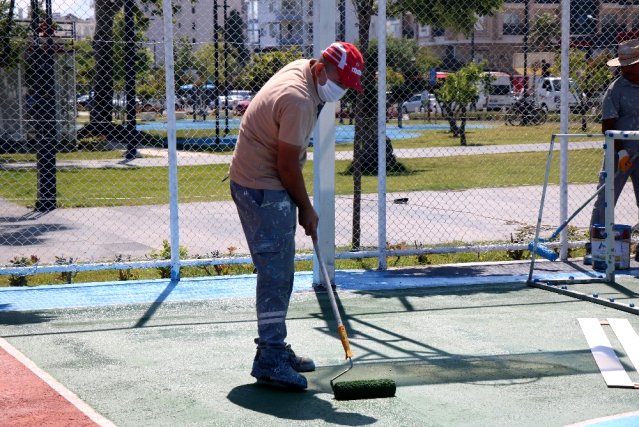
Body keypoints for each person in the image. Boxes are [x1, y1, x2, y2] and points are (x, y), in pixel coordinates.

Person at [228, 42, 364, 390]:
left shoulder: (305, 72)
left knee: (281, 268)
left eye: (348, 85)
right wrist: (306, 207)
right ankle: (270, 358)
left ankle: (275, 347)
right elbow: (286, 165)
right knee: (276, 272)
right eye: (341, 82)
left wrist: (301, 207)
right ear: (321, 69)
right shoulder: (299, 99)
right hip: (262, 185)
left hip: (263, 179)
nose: (342, 91)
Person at [586, 39, 639, 264]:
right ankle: (595, 245)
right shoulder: (616, 89)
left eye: (629, 64)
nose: (624, 68)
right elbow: (608, 125)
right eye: (623, 64)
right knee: (605, 198)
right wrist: (620, 154)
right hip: (620, 154)